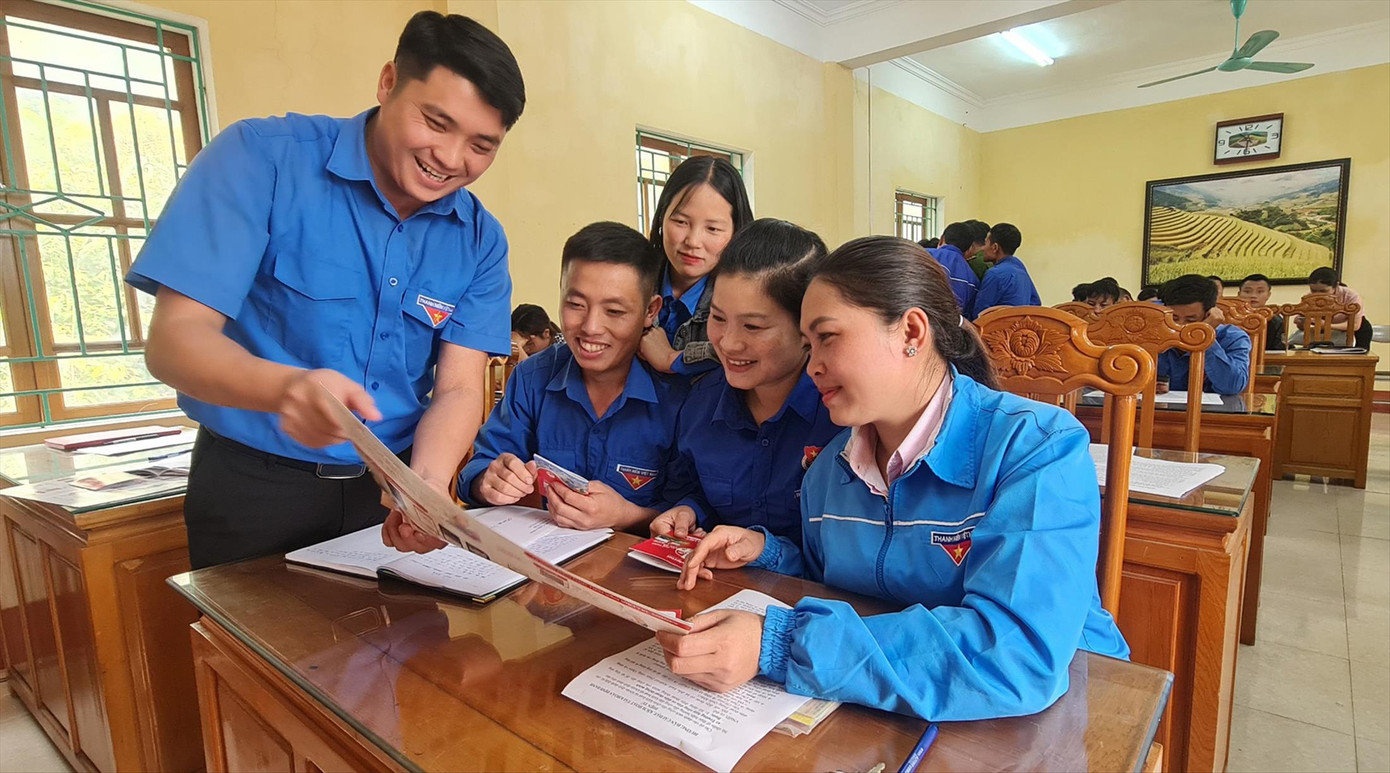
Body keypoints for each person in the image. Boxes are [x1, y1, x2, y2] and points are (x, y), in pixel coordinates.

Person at [656, 236, 1128, 720]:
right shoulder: (829, 470)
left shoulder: (1036, 448)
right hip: (898, 709)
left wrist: (776, 645)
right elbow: (840, 584)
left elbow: (1016, 653)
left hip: (1060, 714)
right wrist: (768, 553)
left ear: (911, 332)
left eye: (828, 338)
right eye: (808, 342)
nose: (812, 365)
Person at [124, 11, 525, 568]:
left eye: (482, 146)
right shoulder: (261, 158)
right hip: (255, 488)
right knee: (248, 656)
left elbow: (458, 387)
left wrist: (426, 489)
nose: (451, 160)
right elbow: (174, 341)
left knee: (408, 651)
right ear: (388, 83)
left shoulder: (479, 238)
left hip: (386, 494)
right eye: (435, 123)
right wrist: (285, 388)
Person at [454, 222, 687, 533]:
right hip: (538, 563)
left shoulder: (678, 398)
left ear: (650, 310)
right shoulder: (531, 378)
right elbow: (478, 469)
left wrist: (627, 515)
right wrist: (489, 481)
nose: (590, 327)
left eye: (614, 311)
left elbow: (693, 507)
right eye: (576, 305)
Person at [653, 219, 840, 546]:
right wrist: (687, 511)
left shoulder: (841, 417)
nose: (728, 343)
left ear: (808, 328)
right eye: (718, 317)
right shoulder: (702, 404)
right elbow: (692, 489)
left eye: (752, 327)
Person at [638, 156, 754, 377]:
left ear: (736, 232)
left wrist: (672, 359)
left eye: (712, 229)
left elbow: (759, 350)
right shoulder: (635, 280)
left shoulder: (748, 299)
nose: (692, 241)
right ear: (662, 216)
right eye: (681, 222)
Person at [1156, 274, 1251, 395]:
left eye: (1190, 320)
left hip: (1209, 412)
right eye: (1174, 318)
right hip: (1157, 410)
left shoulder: (1233, 337)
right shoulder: (1153, 333)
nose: (1180, 326)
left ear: (1209, 314)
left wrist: (1205, 336)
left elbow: (1232, 387)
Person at [969, 223, 1039, 319]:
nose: (982, 249)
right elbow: (1035, 304)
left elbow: (979, 314)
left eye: (985, 243)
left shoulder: (995, 274)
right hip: (1021, 331)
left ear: (995, 247)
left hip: (997, 331)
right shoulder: (1020, 268)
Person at [1304, 267, 1372, 349]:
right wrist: (1303, 322)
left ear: (1336, 286)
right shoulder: (1308, 297)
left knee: (1364, 331)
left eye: (1323, 291)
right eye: (1313, 291)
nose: (1318, 295)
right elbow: (1305, 322)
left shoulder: (1351, 296)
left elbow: (1355, 325)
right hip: (1323, 326)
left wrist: (1327, 325)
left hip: (1351, 327)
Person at [920, 222, 978, 315]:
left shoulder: (923, 255)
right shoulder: (972, 279)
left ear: (942, 239)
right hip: (950, 326)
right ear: (968, 249)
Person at [1236, 273, 1285, 350]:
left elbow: (1279, 350)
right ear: (1239, 294)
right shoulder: (1230, 318)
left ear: (1268, 295)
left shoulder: (1276, 321)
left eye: (1260, 291)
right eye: (1247, 291)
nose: (1253, 295)